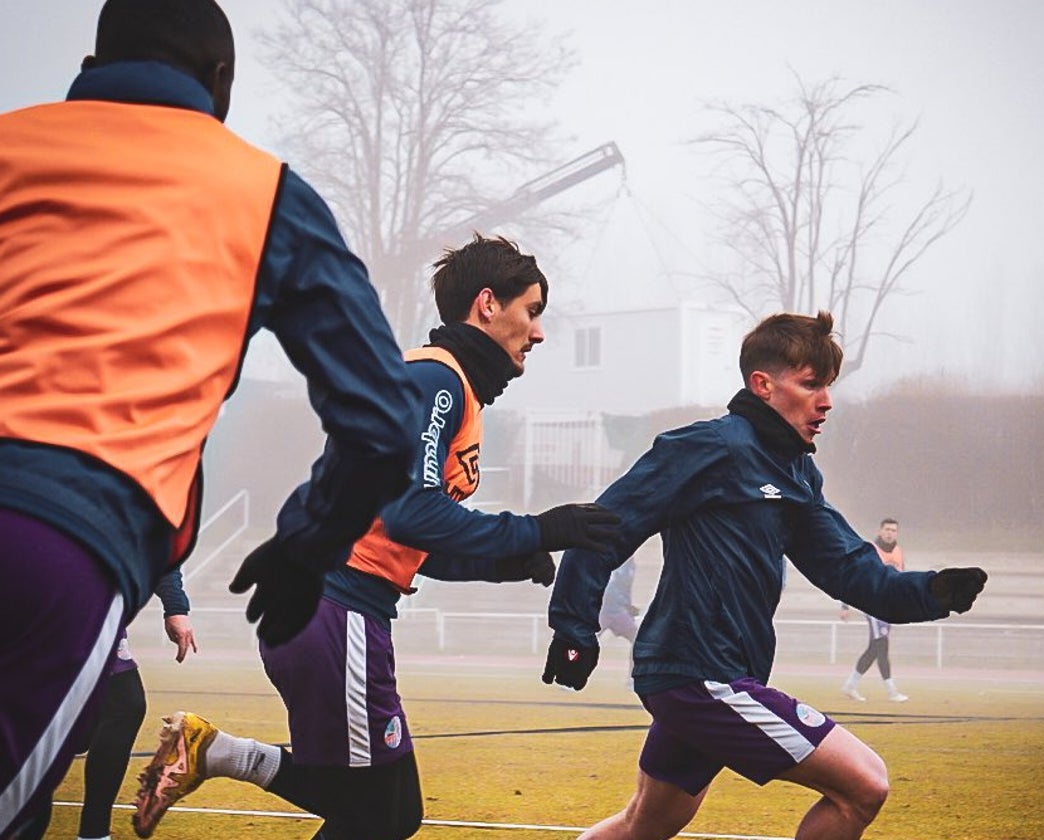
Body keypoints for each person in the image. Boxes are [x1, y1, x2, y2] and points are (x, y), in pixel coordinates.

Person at [0, 1, 431, 835]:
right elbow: (384, 418)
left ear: (95, 59)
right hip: (64, 539)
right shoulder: (262, 192)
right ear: (221, 82)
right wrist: (307, 545)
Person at [130, 234, 622, 840]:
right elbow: (413, 513)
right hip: (337, 612)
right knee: (372, 815)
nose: (539, 332)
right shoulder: (434, 381)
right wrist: (541, 527)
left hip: (339, 612)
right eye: (533, 310)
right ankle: (213, 753)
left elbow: (414, 542)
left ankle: (215, 752)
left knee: (390, 811)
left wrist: (510, 559)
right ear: (488, 305)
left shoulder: (447, 386)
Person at [541, 311, 988, 840]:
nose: (826, 401)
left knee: (646, 823)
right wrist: (573, 626)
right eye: (811, 384)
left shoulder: (796, 472)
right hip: (698, 676)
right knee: (864, 784)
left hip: (716, 674)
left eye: (829, 386)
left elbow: (849, 568)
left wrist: (932, 591)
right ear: (763, 385)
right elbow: (604, 528)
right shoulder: (707, 447)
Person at [76, 570, 197, 840]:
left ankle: (93, 831)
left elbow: (160, 549)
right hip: (58, 593)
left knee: (121, 707)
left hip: (95, 604)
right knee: (120, 707)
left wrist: (176, 607)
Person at [840, 518, 909, 702]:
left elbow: (902, 579)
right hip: (873, 603)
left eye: (893, 530)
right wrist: (845, 605)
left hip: (889, 606)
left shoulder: (899, 553)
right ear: (880, 531)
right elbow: (854, 574)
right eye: (887, 529)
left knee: (874, 648)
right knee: (882, 645)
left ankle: (850, 685)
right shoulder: (871, 551)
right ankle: (892, 691)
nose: (890, 533)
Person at [599, 557, 640, 688]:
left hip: (617, 610)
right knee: (581, 642)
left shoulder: (630, 564)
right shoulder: (609, 555)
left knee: (639, 642)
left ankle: (633, 679)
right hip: (602, 610)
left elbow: (624, 588)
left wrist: (628, 606)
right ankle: (569, 677)